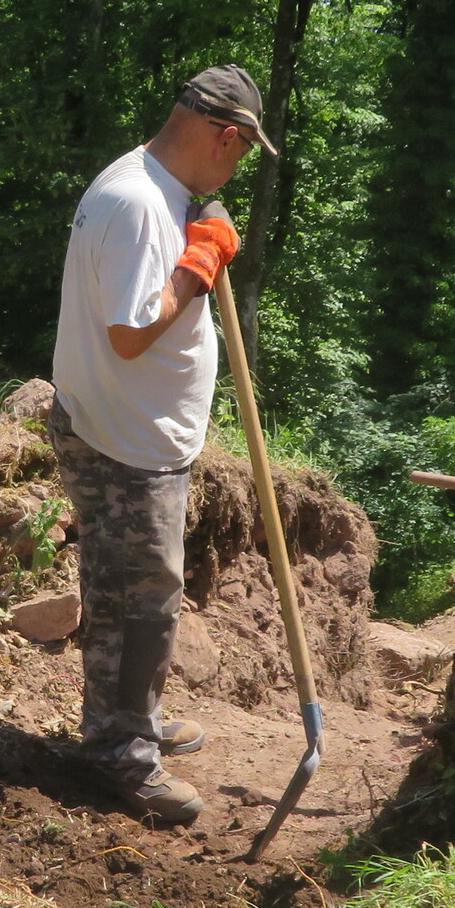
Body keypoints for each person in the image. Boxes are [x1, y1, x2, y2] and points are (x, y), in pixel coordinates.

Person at [48, 65, 277, 827]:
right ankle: (120, 752)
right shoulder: (142, 205)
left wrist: (197, 238)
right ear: (225, 137)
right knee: (137, 604)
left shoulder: (145, 182)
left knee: (133, 594)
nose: (236, 171)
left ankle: (132, 719)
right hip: (126, 446)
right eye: (241, 155)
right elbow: (130, 330)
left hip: (127, 429)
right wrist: (200, 265)